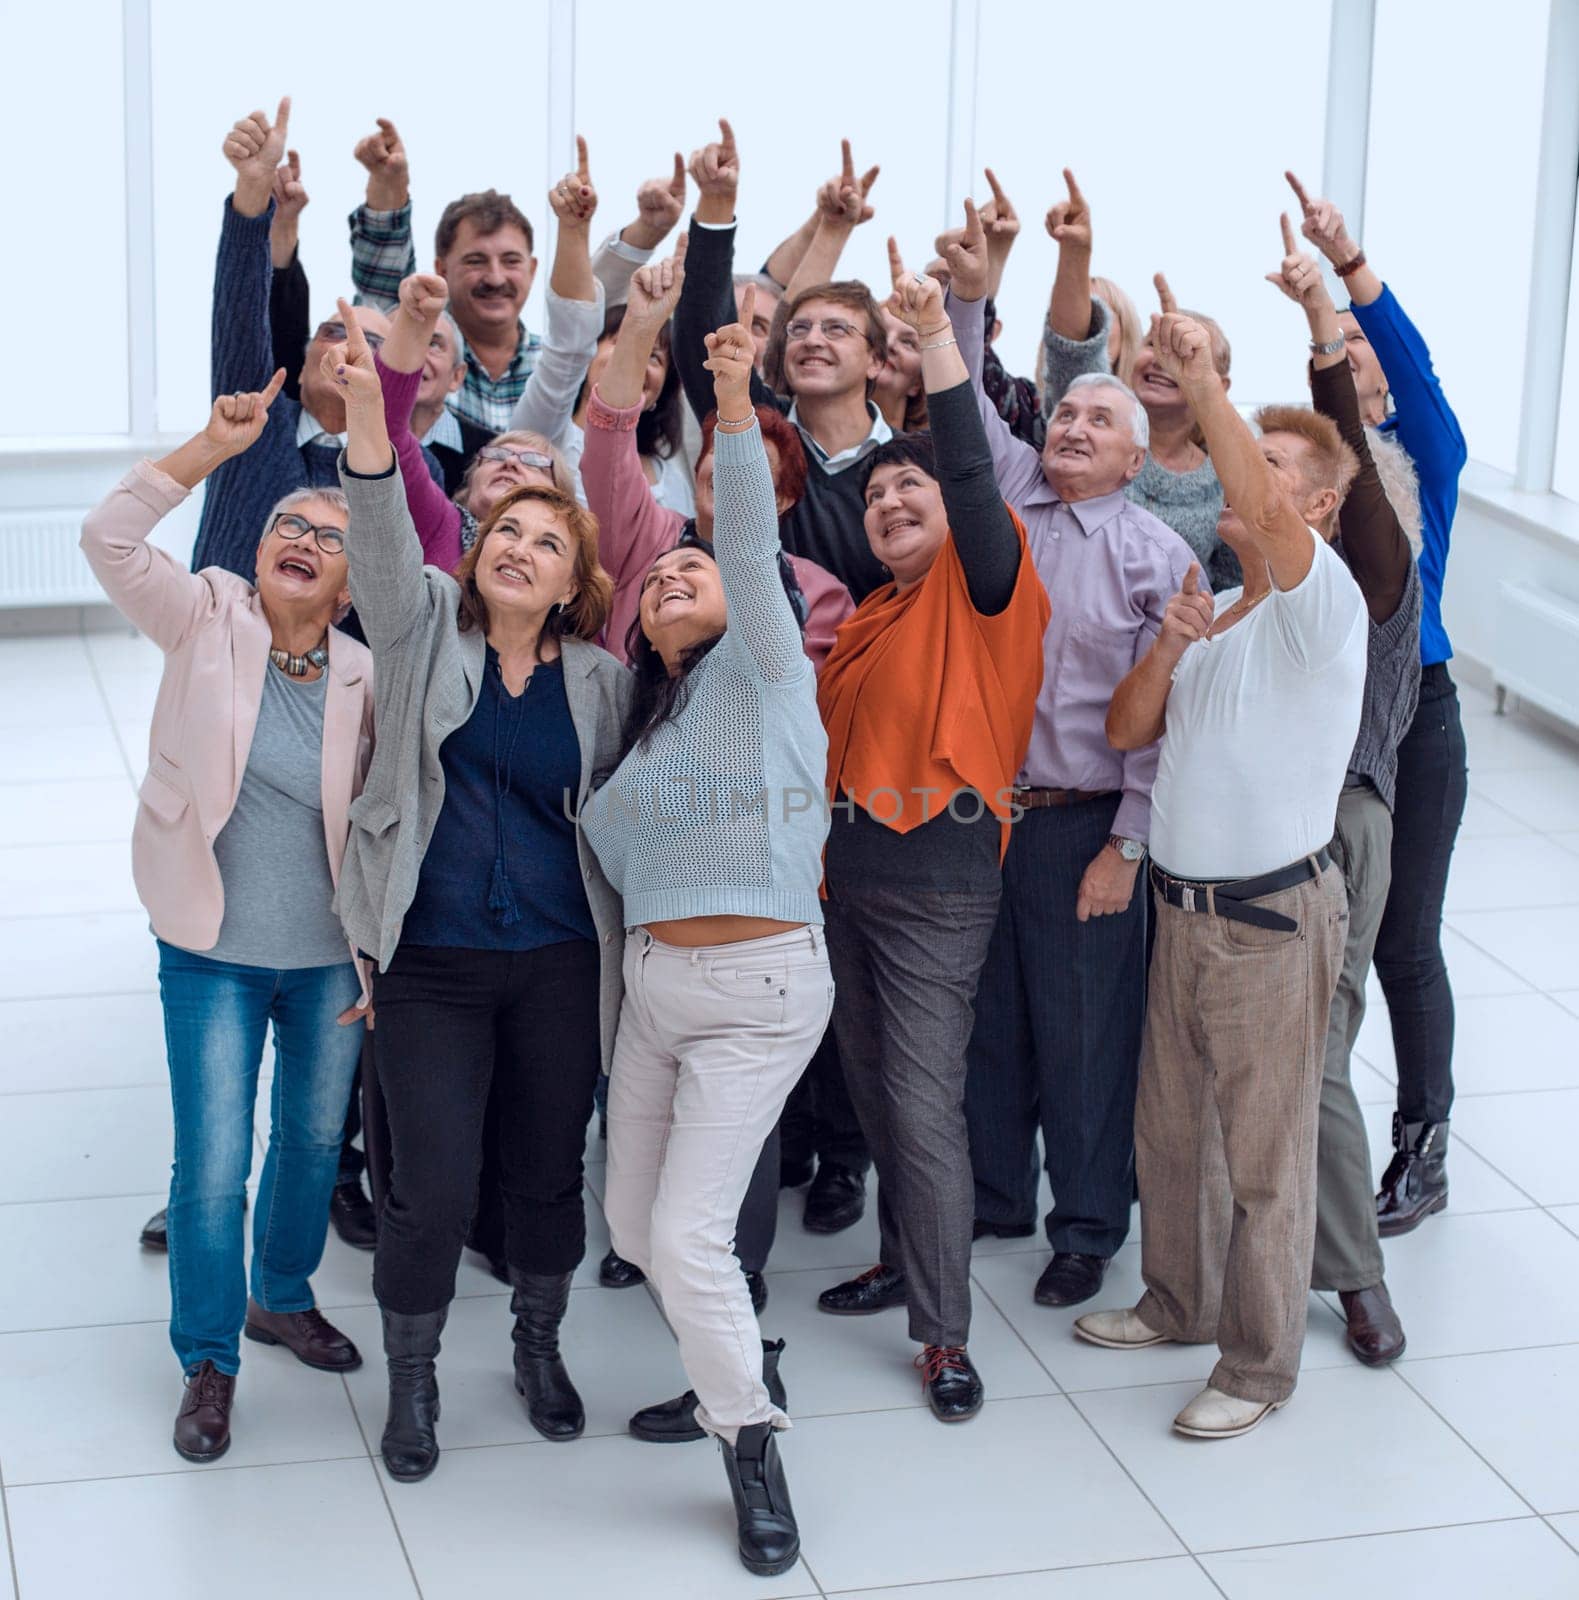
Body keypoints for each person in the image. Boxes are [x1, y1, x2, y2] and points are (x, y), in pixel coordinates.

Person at [329, 301, 630, 1482]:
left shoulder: (605, 682)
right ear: (476, 546)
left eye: (546, 543)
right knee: (430, 1185)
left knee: (549, 1168)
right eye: (504, 529)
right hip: (431, 962)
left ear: (571, 582)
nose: (517, 547)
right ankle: (413, 1386)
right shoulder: (417, 634)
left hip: (562, 959)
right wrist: (373, 401)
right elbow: (373, 517)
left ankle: (539, 1349)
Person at [1077, 300, 1366, 1441]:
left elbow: (1247, 497)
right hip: (1182, 914)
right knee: (1172, 1136)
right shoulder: (1227, 618)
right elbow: (1124, 731)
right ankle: (1176, 1301)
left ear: (1317, 507)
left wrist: (1201, 380)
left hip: (1268, 924)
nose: (1253, 486)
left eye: (1276, 469)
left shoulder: (1317, 607)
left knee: (1263, 1160)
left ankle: (1255, 1366)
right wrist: (1168, 644)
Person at [579, 290, 832, 1578]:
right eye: (656, 575)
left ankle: (750, 1447)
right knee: (635, 1231)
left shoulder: (766, 676)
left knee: (685, 1239)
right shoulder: (643, 735)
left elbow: (740, 536)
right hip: (656, 996)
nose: (676, 573)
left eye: (698, 570)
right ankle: (740, 1349)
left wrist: (732, 400)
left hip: (760, 986)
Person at [81, 370, 374, 1464]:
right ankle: (209, 1357)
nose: (299, 535)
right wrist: (208, 449)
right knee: (211, 1162)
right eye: (286, 523)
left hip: (326, 960)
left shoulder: (364, 670)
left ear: (349, 586)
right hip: (208, 947)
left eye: (326, 534)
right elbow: (110, 539)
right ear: (259, 550)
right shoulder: (205, 612)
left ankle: (281, 1293)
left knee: (305, 1141)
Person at [940, 206, 1198, 1309]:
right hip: (975, 815)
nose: (1075, 427)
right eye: (1066, 412)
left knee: (1086, 1033)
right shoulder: (1008, 492)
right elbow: (958, 400)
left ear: (1136, 458)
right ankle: (998, 1192)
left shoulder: (1156, 554)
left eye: (1101, 418)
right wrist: (963, 292)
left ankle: (1087, 1223)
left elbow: (1165, 721)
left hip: (1083, 820)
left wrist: (1125, 848)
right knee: (988, 1016)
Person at [814, 239, 1049, 1422]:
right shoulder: (869, 619)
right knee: (873, 1087)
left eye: (912, 491)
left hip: (940, 875)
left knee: (917, 1098)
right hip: (846, 873)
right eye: (875, 494)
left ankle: (945, 1335)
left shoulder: (989, 590)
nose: (892, 500)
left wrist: (940, 345)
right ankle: (898, 1261)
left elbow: (963, 463)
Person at [1283, 178, 1469, 1237]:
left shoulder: (1423, 461)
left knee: (1402, 938)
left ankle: (1422, 1143)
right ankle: (1313, 1127)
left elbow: (1410, 371)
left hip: (1417, 721)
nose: (1347, 361)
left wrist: (1347, 269)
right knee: (1318, 933)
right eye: (1330, 352)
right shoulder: (1309, 481)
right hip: (1318, 718)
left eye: (1361, 354)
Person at [1268, 198, 1420, 1366]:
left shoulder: (1371, 572)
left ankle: (1354, 1279)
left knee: (1316, 1053)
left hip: (1333, 829)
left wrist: (1326, 325)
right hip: (1230, 839)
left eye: (1275, 470)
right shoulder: (1239, 587)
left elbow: (1350, 461)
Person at [193, 99, 441, 580]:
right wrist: (252, 190)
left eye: (373, 343)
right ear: (304, 360)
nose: (351, 345)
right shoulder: (254, 419)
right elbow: (238, 315)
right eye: (334, 330)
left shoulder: (412, 466)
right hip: (220, 650)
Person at [581, 237, 853, 671]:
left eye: (755, 465)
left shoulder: (819, 592)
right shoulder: (647, 539)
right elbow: (607, 447)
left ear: (783, 499)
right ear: (696, 470)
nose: (734, 468)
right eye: (722, 452)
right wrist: (639, 327)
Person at [673, 119, 893, 600]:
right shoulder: (754, 428)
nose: (813, 340)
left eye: (837, 329)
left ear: (877, 360)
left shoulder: (906, 466)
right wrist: (715, 203)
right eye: (798, 329)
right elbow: (699, 334)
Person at [349, 122, 681, 433]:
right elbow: (381, 290)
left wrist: (648, 230)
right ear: (441, 270)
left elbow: (582, 314)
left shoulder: (559, 365)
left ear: (534, 269)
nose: (495, 278)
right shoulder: (420, 354)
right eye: (475, 261)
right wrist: (388, 189)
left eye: (510, 261)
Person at [1039, 169, 1238, 590]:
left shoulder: (1228, 480)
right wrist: (1076, 253)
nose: (1163, 360)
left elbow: (1230, 595)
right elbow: (1070, 349)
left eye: (1183, 352)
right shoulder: (1091, 425)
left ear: (1219, 387)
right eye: (1154, 344)